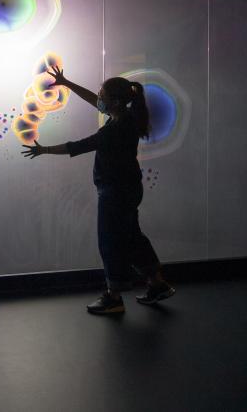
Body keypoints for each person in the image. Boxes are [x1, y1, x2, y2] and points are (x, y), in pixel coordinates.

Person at [21, 65, 175, 314]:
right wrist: (67, 83)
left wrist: (44, 150)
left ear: (114, 102)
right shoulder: (127, 118)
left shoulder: (112, 131)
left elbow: (78, 146)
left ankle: (113, 297)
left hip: (115, 194)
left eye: (103, 96)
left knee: (110, 242)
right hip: (129, 190)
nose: (99, 99)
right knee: (132, 238)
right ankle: (157, 284)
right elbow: (94, 101)